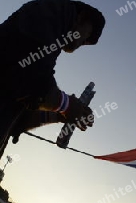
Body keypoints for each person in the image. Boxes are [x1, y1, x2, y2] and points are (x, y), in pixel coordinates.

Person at [0, 0, 105, 159]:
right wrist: (66, 104)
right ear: (81, 17)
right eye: (87, 37)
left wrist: (60, 114)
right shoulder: (55, 13)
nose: (83, 44)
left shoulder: (50, 38)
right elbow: (30, 79)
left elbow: (18, 118)